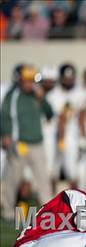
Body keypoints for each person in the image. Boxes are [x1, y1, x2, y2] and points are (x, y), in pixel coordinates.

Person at [0, 65, 53, 221]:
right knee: (13, 178)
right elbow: (5, 116)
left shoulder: (36, 95)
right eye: (27, 80)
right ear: (20, 80)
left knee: (43, 179)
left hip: (37, 143)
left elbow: (50, 113)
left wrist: (42, 98)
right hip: (19, 143)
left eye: (32, 80)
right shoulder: (13, 96)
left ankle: (50, 212)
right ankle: (8, 210)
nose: (30, 84)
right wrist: (6, 135)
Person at [47, 63, 85, 188]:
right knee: (51, 172)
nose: (69, 81)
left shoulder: (79, 92)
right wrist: (60, 139)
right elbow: (59, 118)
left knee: (72, 172)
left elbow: (81, 115)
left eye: (71, 78)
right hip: (53, 135)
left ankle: (73, 204)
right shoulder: (53, 94)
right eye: (66, 78)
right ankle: (49, 203)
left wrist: (83, 136)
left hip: (71, 136)